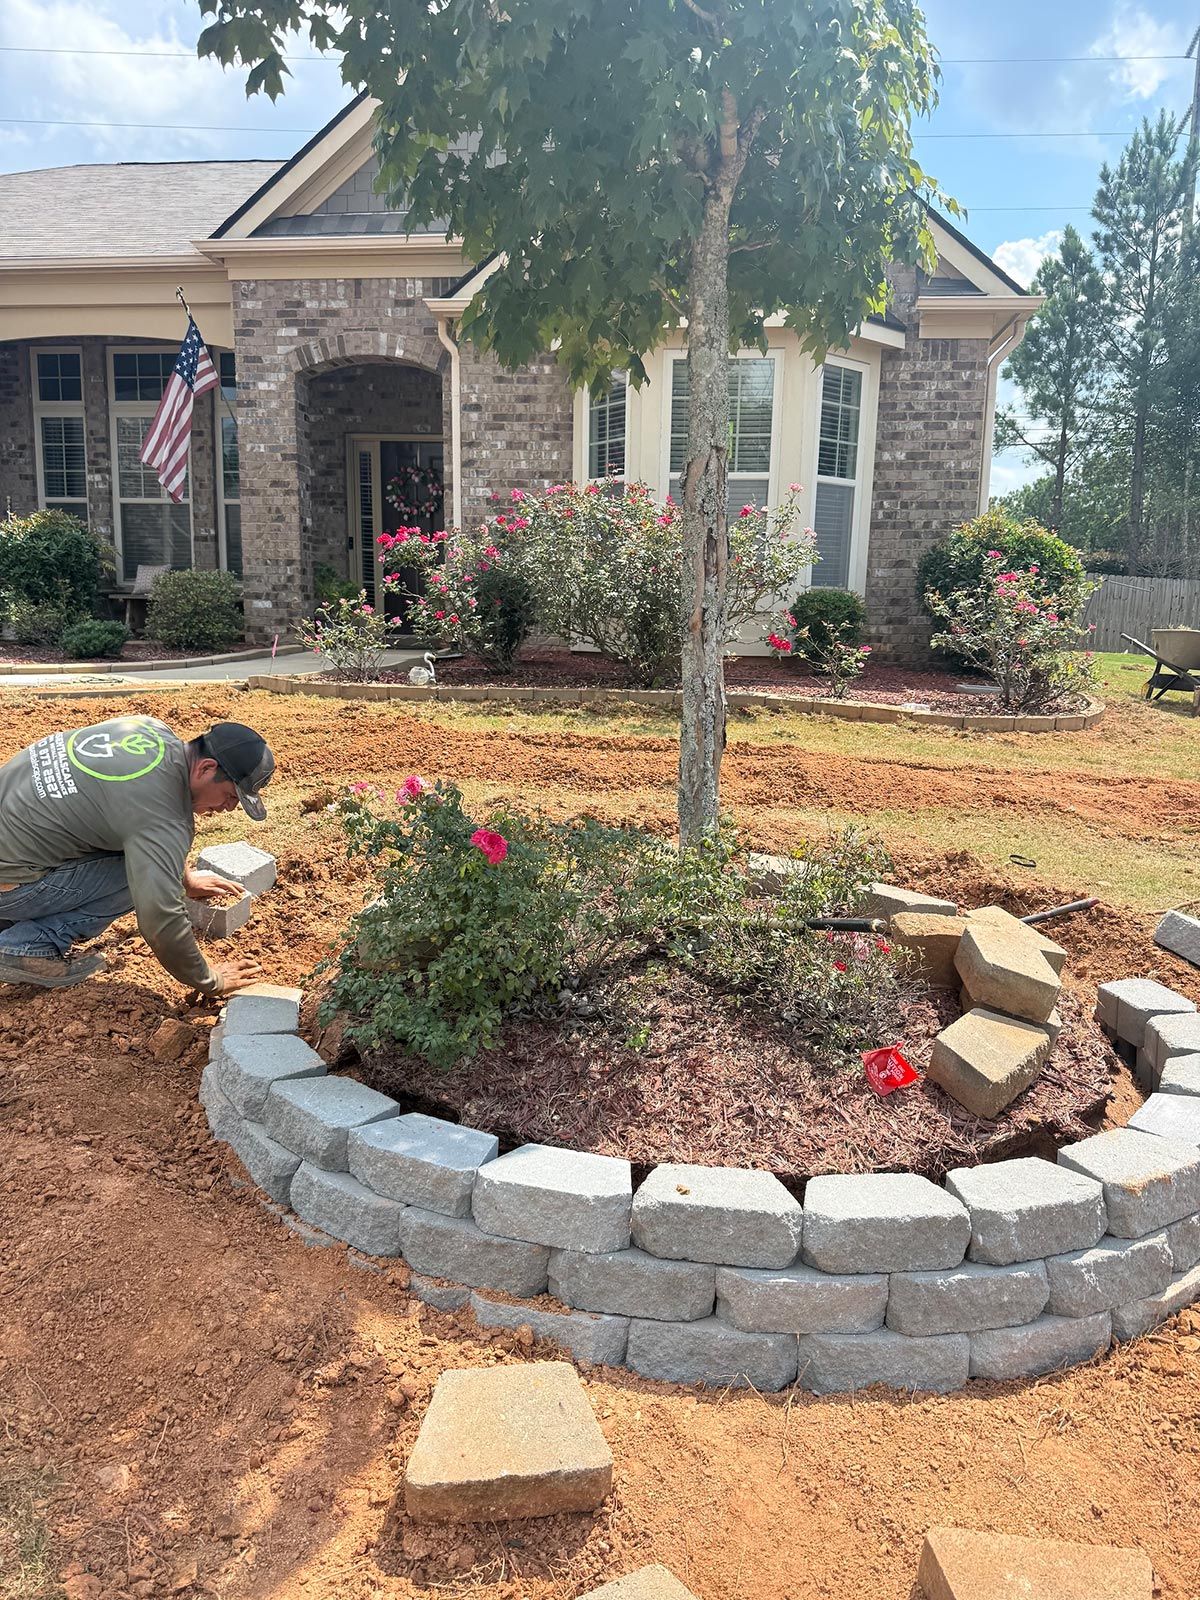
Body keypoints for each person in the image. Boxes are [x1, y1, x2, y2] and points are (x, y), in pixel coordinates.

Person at [0, 716, 274, 995]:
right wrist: (211, 980)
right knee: (140, 875)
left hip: (12, 840)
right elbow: (160, 918)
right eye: (231, 796)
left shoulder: (149, 730)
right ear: (206, 768)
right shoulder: (165, 816)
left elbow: (142, 818)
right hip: (10, 885)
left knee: (142, 852)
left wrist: (186, 881)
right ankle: (28, 947)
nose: (229, 808)